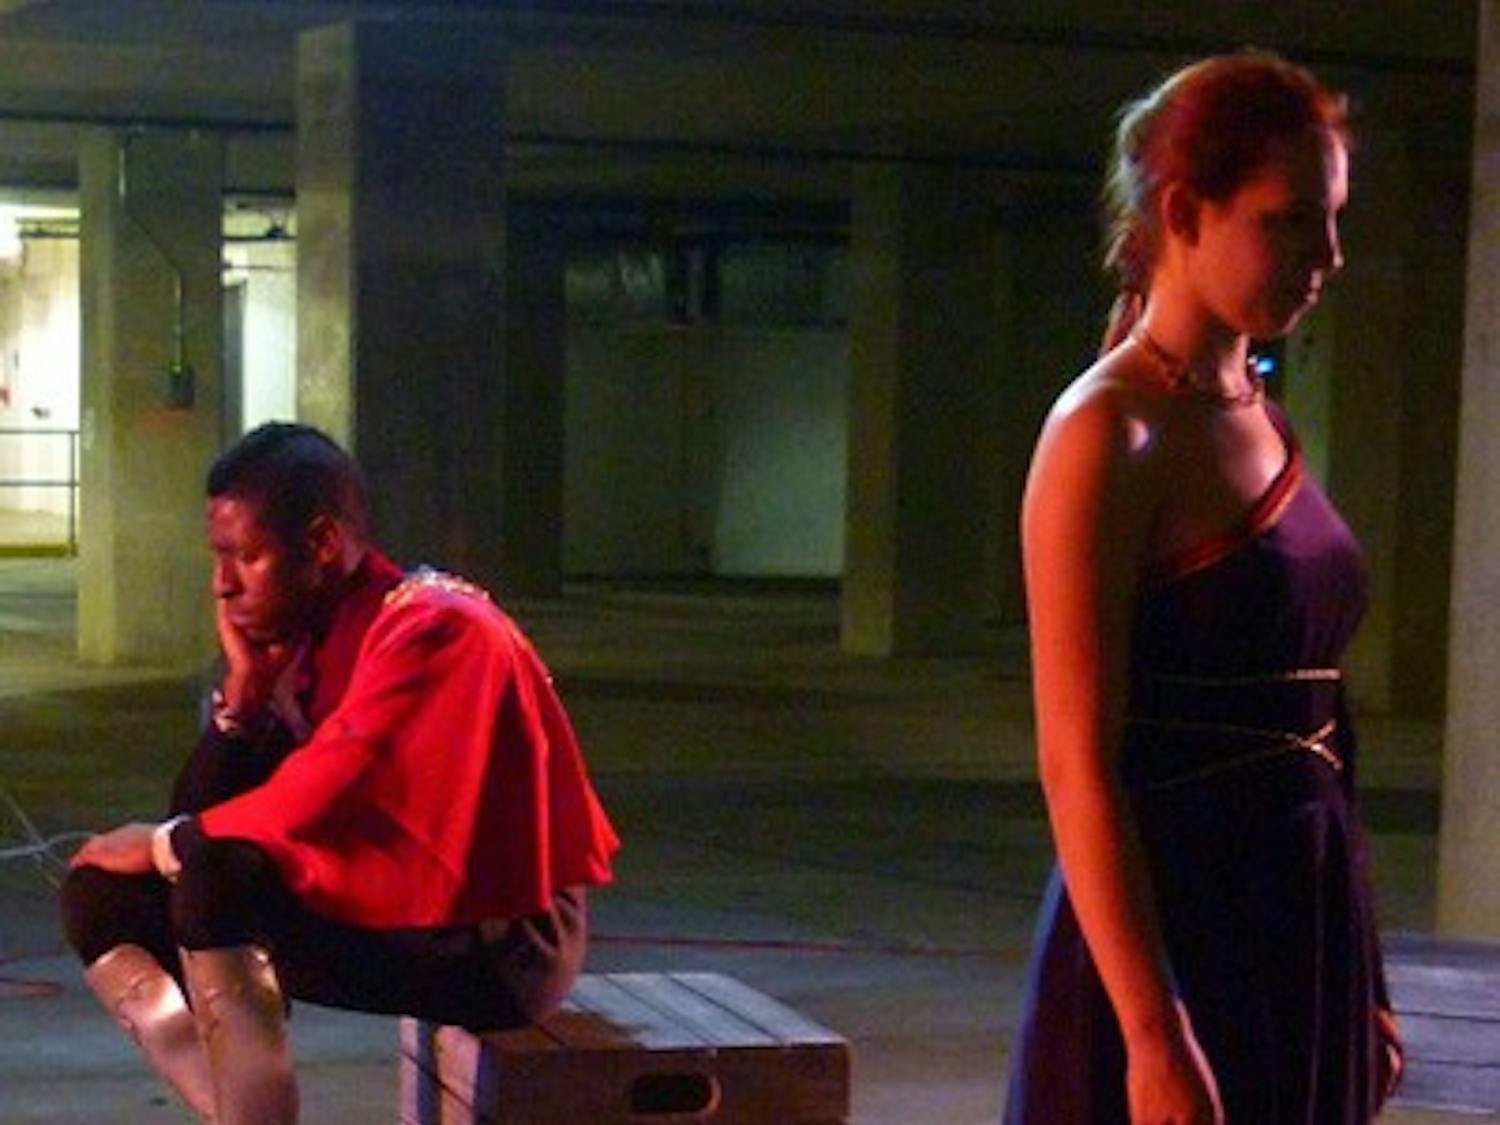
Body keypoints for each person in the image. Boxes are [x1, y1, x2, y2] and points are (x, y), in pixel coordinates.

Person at [1002, 51, 1402, 1124]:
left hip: (1298, 914)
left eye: (1333, 220)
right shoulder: (1107, 433)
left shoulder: (1260, 415)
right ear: (1184, 211)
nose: (1327, 258)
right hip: (1178, 933)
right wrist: (1149, 1032)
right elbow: (1075, 760)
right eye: (1289, 222)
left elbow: (1322, 717)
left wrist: (1362, 976)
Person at [61, 422, 620, 1125]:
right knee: (100, 895)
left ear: (322, 543)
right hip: (389, 912)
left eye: (244, 556)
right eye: (218, 557)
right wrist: (244, 701)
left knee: (206, 867)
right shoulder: (304, 638)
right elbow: (206, 815)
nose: (221, 584)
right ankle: (239, 1111)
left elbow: (334, 781)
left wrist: (165, 841)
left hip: (494, 947)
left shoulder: (438, 627)